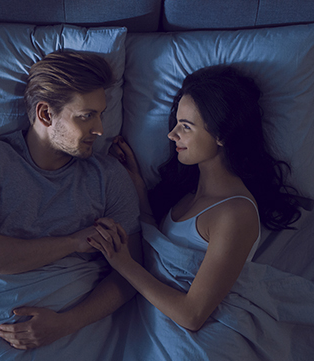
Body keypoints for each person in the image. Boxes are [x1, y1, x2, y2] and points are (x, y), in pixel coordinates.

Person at [0, 50, 142, 350]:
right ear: (46, 114)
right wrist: (73, 243)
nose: (100, 129)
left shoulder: (109, 176)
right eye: (87, 116)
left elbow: (133, 272)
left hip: (67, 323)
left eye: (100, 113)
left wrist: (66, 323)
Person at [88, 64, 301, 331]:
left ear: (222, 134)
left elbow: (192, 315)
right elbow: (161, 248)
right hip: (155, 319)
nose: (172, 134)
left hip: (202, 337)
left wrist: (124, 264)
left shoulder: (236, 213)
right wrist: (138, 187)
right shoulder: (189, 193)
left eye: (186, 127)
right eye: (176, 123)